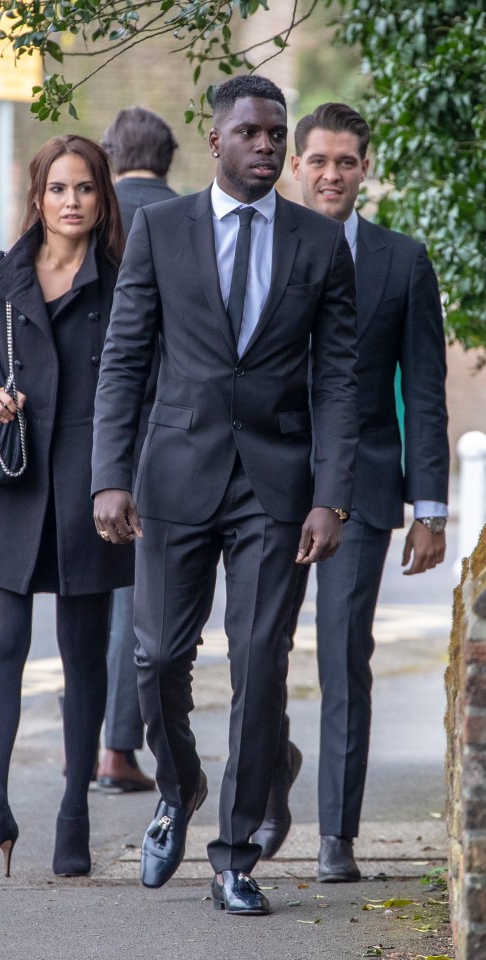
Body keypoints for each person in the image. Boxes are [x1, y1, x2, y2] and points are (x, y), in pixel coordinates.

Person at [91, 75, 359, 916]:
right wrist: (109, 474)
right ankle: (178, 789)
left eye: (276, 135)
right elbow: (125, 358)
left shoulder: (317, 243)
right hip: (173, 476)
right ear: (215, 140)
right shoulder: (160, 230)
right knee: (158, 658)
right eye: (250, 133)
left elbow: (340, 384)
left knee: (258, 664)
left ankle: (236, 854)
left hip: (276, 490)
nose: (267, 147)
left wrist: (330, 495)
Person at [252, 103, 449, 882]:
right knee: (259, 656)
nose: (330, 174)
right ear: (295, 166)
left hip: (362, 487)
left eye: (345, 161)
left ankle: (337, 833)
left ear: (364, 168)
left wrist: (428, 506)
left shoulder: (401, 262)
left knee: (343, 656)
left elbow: (425, 390)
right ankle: (270, 789)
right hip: (266, 484)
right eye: (318, 160)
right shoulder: (258, 246)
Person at [0, 135, 134, 878]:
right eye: (58, 188)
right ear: (38, 196)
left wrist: (126, 478)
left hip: (89, 483)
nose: (71, 201)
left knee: (84, 661)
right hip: (8, 479)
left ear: (101, 196)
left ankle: (72, 814)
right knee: (1, 644)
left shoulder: (119, 279)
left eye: (84, 188)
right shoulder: (0, 273)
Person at [96, 106, 179, 794]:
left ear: (107, 156)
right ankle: (117, 750)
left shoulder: (85, 213)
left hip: (81, 428)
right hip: (167, 432)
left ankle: (82, 738)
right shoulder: (191, 220)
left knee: (75, 598)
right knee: (135, 595)